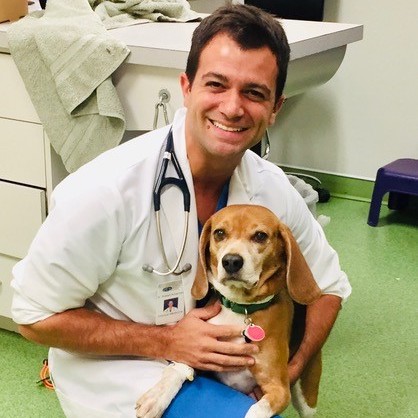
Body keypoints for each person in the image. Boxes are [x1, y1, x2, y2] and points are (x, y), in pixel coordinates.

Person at [11, 4, 351, 418]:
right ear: (186, 87)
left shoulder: (272, 190)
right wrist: (165, 340)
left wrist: (288, 370)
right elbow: (32, 317)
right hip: (124, 369)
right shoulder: (106, 189)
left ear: (276, 107)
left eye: (254, 92)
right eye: (216, 84)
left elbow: (328, 290)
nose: (232, 107)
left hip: (215, 364)